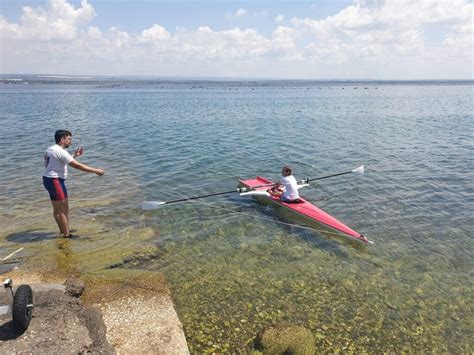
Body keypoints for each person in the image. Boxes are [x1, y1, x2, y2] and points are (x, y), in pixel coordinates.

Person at [43, 130, 105, 238]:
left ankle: (64, 230)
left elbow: (58, 162)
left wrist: (74, 155)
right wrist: (95, 170)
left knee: (60, 209)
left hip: (50, 179)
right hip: (55, 181)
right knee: (61, 209)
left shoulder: (51, 149)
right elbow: (77, 166)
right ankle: (66, 235)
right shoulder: (60, 151)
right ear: (62, 139)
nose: (70, 142)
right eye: (69, 139)